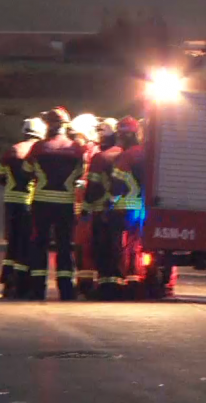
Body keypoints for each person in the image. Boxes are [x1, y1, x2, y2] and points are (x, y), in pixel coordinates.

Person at [21, 107, 86, 300]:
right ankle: (66, 290)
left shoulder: (39, 148)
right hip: (65, 203)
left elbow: (26, 171)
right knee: (65, 246)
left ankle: (38, 289)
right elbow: (81, 174)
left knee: (39, 244)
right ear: (65, 126)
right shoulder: (76, 149)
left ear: (48, 125)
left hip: (41, 202)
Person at [0, 117, 45, 299]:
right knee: (27, 242)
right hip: (30, 202)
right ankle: (22, 283)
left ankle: (8, 281)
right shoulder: (39, 151)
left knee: (12, 243)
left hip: (11, 202)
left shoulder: (13, 150)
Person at [109, 117, 159, 298]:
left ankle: (130, 283)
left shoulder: (126, 156)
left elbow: (116, 184)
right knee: (141, 246)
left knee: (126, 247)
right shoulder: (147, 153)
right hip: (146, 207)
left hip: (127, 207)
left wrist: (111, 204)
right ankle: (144, 281)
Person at [84, 118, 127, 300]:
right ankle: (118, 286)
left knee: (102, 250)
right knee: (117, 250)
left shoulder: (100, 158)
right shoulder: (126, 154)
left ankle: (105, 289)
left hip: (102, 210)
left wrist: (86, 207)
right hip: (123, 209)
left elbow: (93, 187)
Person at [67, 114, 102, 296]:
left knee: (86, 247)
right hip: (83, 209)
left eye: (77, 135)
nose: (75, 140)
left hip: (89, 209)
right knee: (81, 248)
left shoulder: (91, 153)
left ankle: (87, 285)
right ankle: (85, 283)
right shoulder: (87, 152)